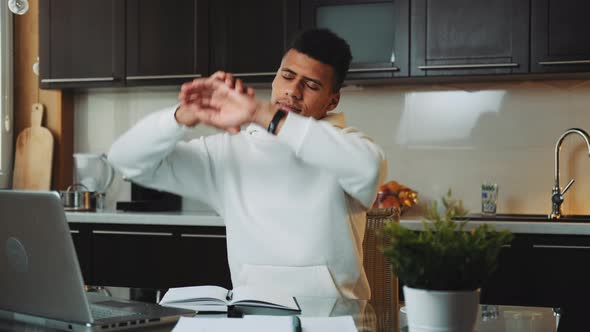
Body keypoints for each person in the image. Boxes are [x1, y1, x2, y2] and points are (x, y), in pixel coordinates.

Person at [108, 28, 386, 300]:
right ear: (276, 76)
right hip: (254, 316)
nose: (293, 91)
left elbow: (369, 168)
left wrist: (259, 112)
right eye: (287, 76)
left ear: (332, 100)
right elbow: (125, 159)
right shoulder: (228, 152)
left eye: (311, 85)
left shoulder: (344, 147)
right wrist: (184, 115)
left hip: (334, 324)